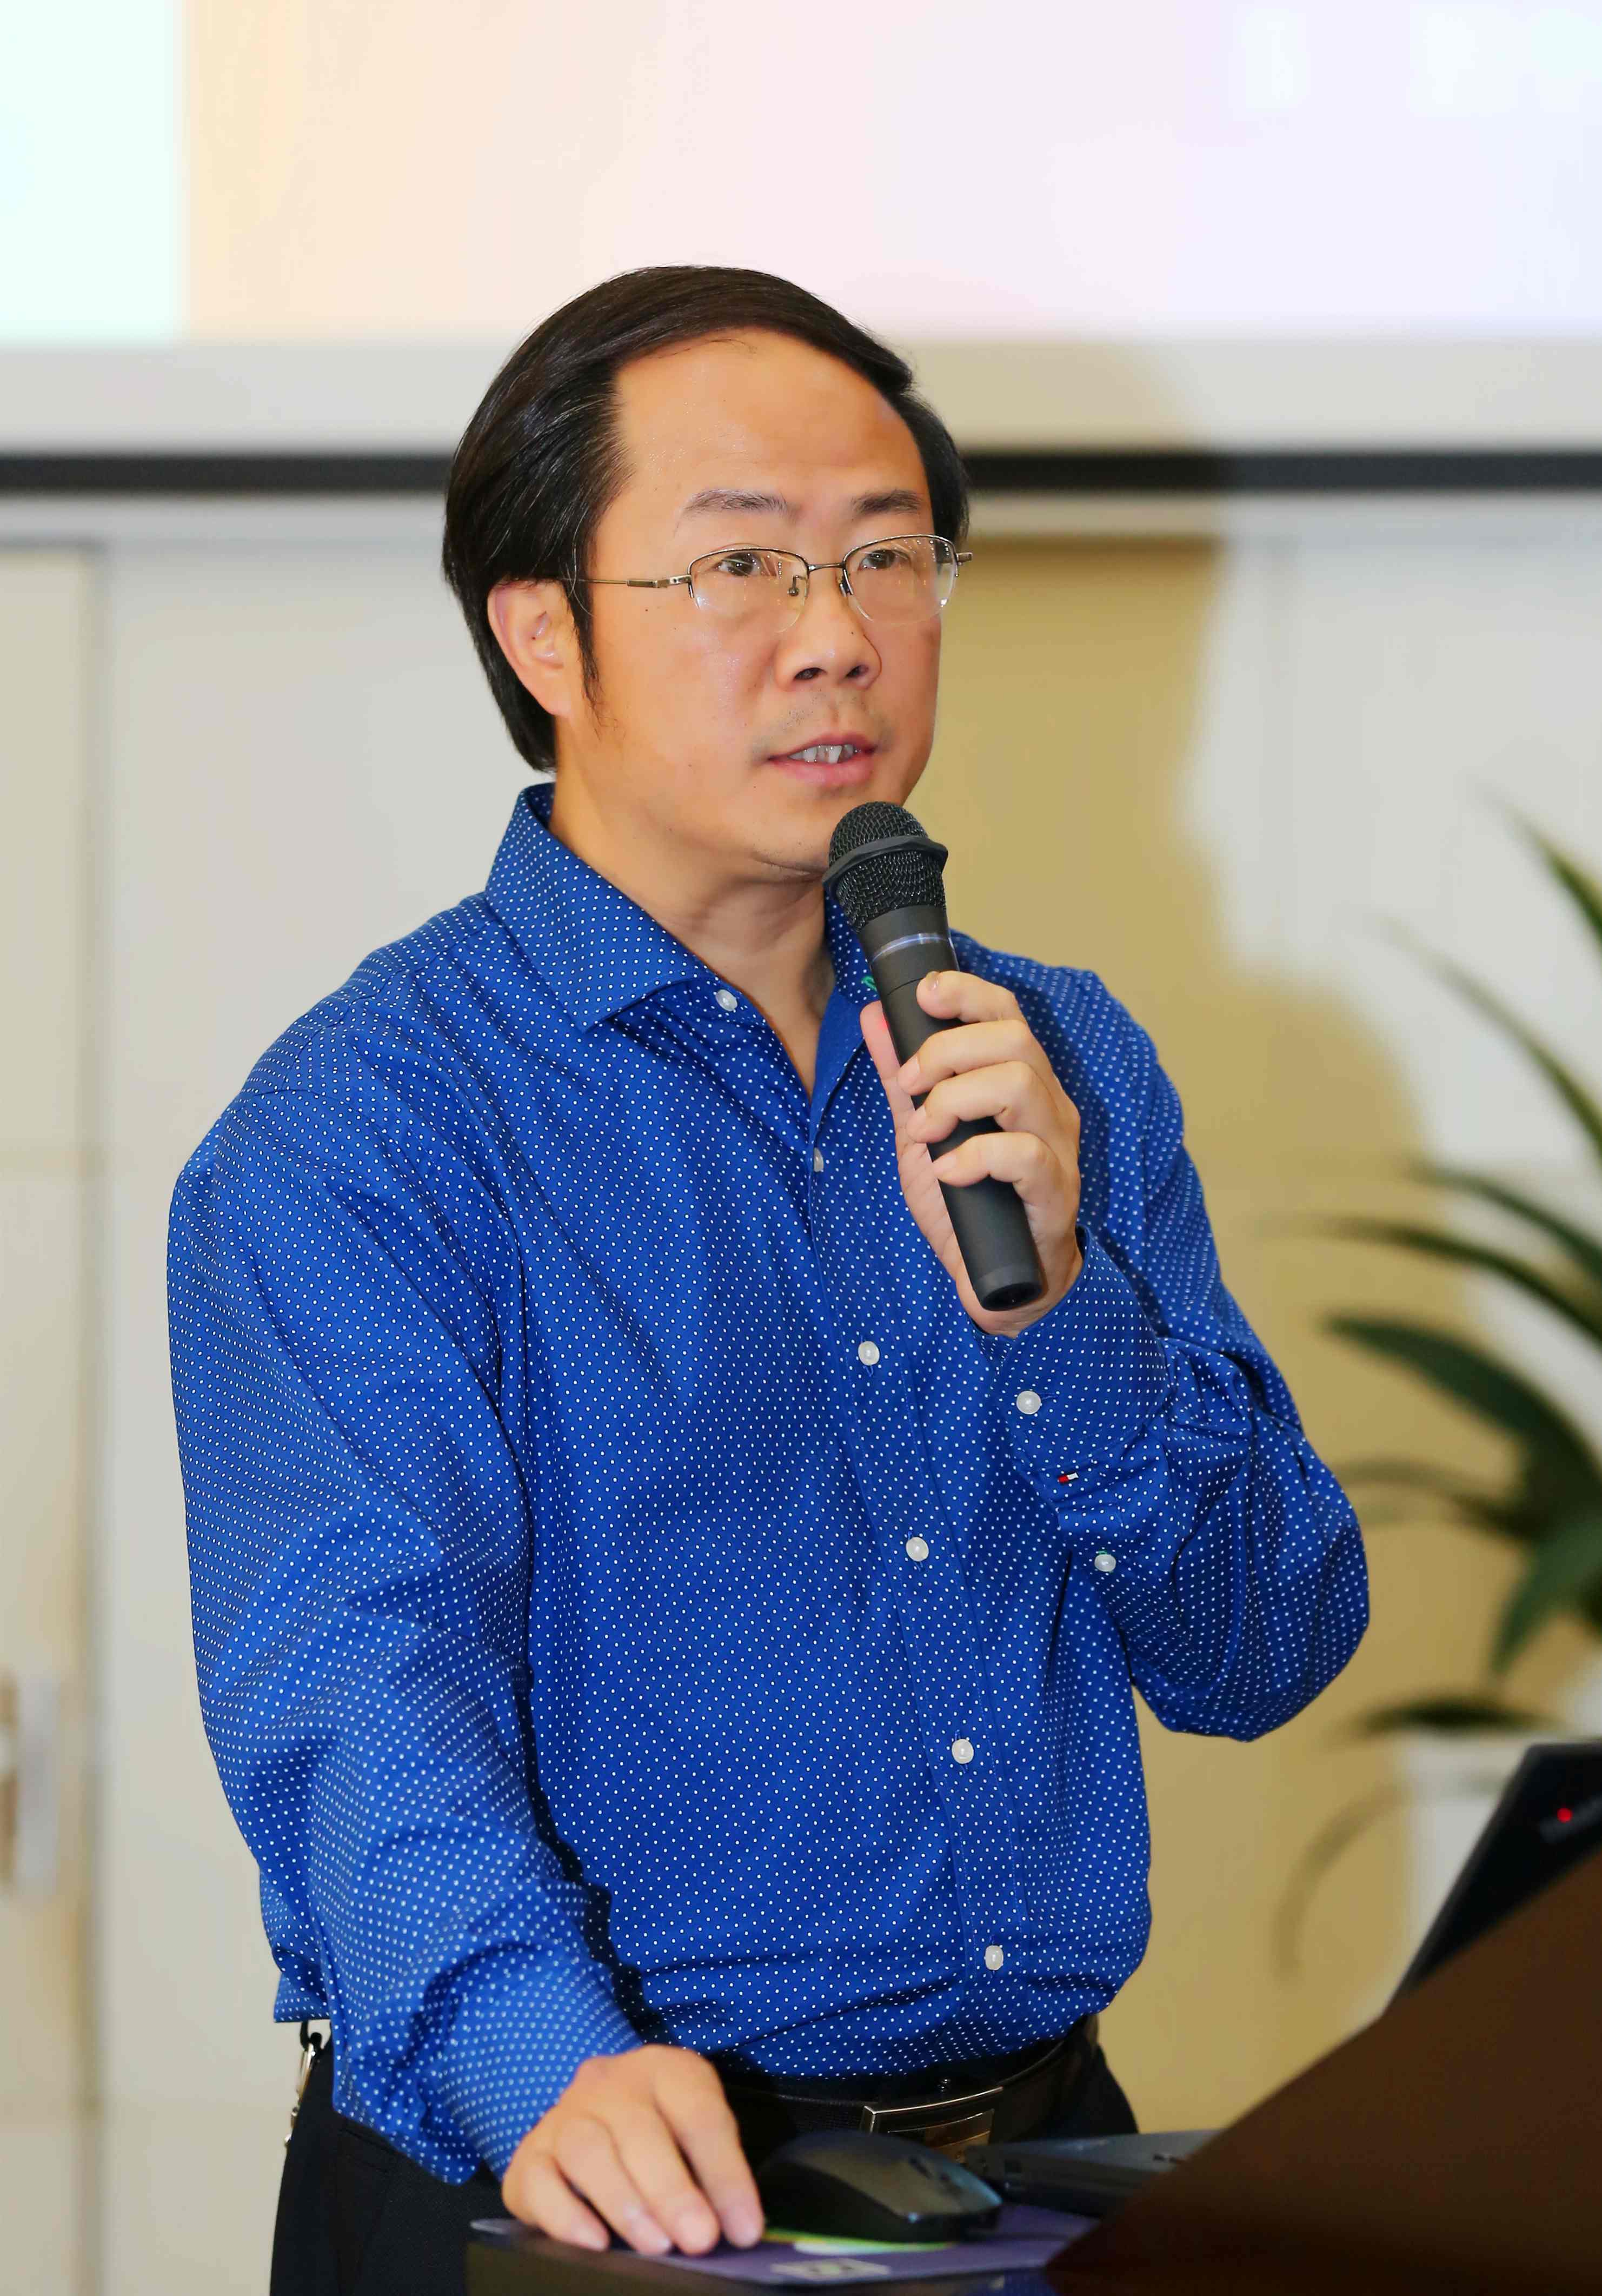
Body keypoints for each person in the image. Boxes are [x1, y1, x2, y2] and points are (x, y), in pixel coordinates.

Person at [169, 267, 1368, 2296]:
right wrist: (545, 2066)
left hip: (1036, 2169)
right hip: (574, 2176)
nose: (838, 636)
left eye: (889, 558)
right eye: (741, 565)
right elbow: (359, 1688)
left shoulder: (1054, 1064)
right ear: (542, 633)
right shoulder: (369, 1131)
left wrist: (1061, 1308)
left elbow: (1261, 1646)